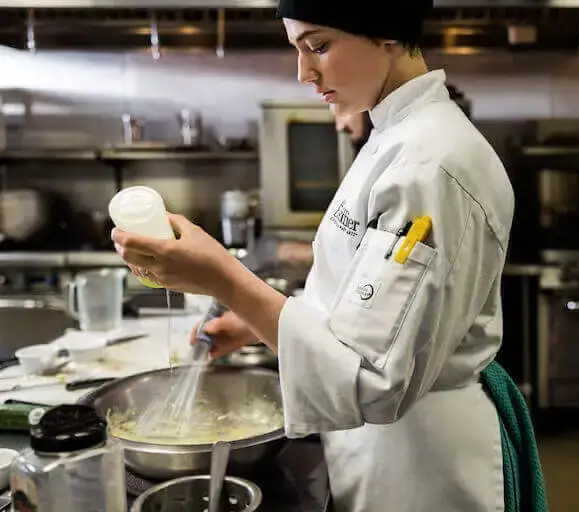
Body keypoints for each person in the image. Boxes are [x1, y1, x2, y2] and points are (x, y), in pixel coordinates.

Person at [112, 0, 546, 510]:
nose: (303, 72)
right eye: (297, 49)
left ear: (386, 30)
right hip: (383, 444)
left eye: (318, 45)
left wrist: (226, 279)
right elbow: (362, 297)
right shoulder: (393, 136)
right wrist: (254, 320)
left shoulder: (432, 164)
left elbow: (372, 380)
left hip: (421, 464)